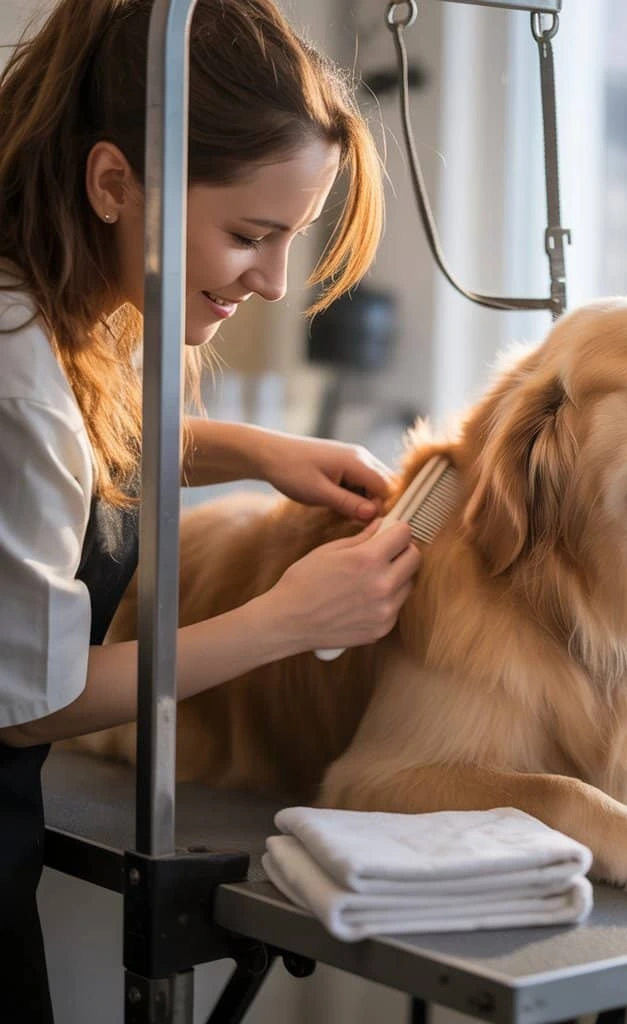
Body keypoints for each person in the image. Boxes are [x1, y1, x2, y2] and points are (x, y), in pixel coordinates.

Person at [0, 0, 422, 1018]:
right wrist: (290, 619)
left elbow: (80, 448)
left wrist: (257, 453)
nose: (274, 282)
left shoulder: (39, 302)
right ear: (114, 183)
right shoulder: (17, 372)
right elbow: (32, 701)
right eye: (251, 235)